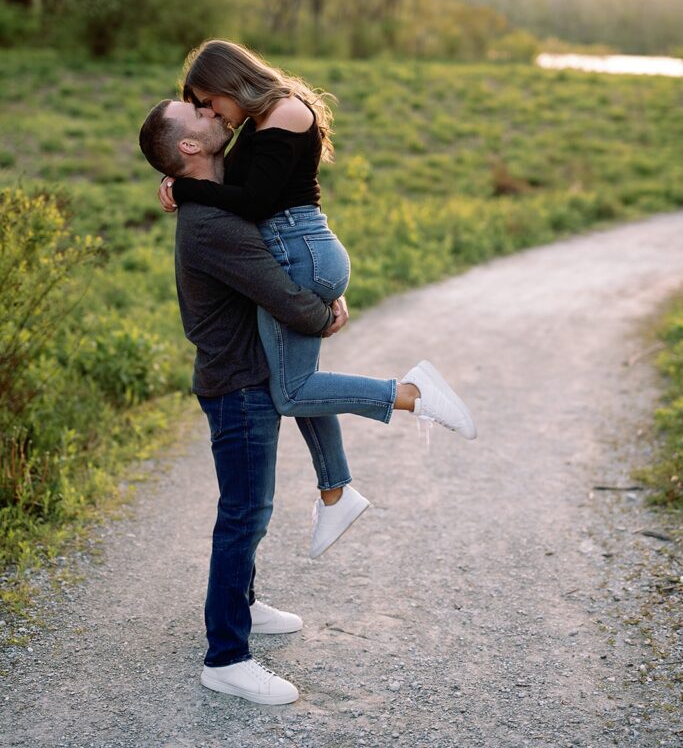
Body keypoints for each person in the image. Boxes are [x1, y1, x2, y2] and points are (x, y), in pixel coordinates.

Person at [138, 100, 474, 705]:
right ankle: (226, 656)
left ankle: (244, 603)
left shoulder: (218, 196)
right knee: (244, 515)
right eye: (194, 112)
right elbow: (285, 297)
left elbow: (277, 249)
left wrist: (313, 300)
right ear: (188, 148)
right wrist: (322, 310)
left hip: (247, 373)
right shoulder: (212, 225)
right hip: (239, 386)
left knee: (246, 510)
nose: (208, 111)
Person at [158, 41, 477, 559]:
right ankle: (335, 493)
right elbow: (239, 189)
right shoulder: (259, 121)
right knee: (299, 382)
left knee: (292, 390)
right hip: (296, 252)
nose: (211, 114)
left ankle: (411, 394)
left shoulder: (284, 110)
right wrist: (179, 175)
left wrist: (190, 192)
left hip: (298, 252)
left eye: (208, 102)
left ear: (229, 82)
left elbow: (259, 202)